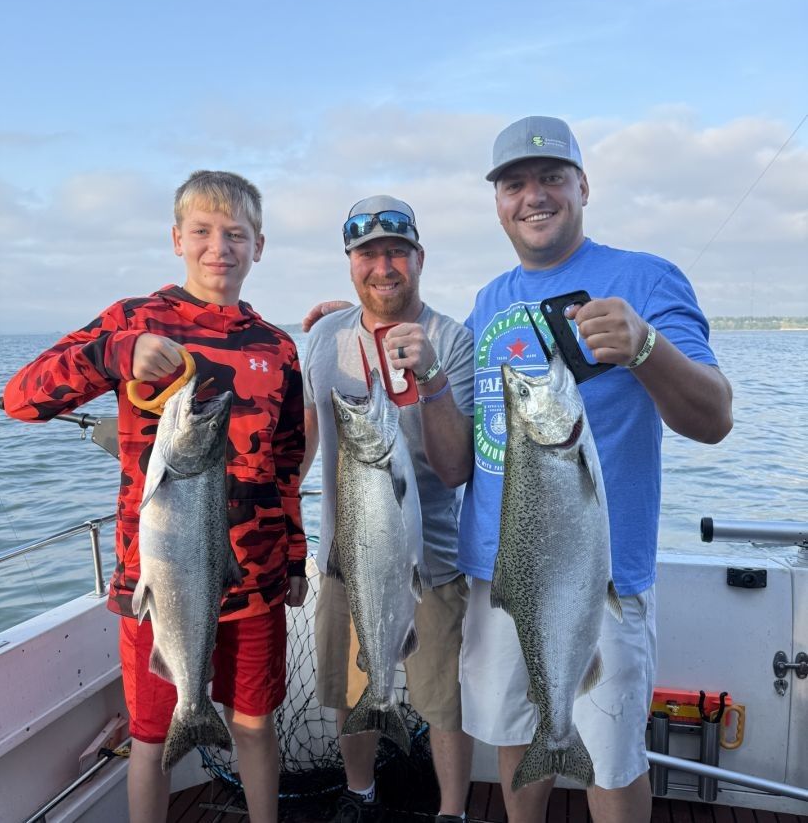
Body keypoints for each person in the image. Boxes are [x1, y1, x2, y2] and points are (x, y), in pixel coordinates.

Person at [441, 116, 733, 823]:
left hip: (597, 575)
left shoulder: (646, 277)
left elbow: (715, 416)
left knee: (610, 758)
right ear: (497, 200)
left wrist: (644, 347)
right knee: (518, 737)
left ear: (583, 186)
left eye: (551, 178)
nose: (533, 196)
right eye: (514, 183)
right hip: (497, 571)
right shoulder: (488, 300)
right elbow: (463, 446)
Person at [2, 171, 307, 823]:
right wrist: (115, 352)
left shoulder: (277, 347)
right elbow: (21, 398)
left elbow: (286, 464)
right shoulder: (135, 319)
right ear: (177, 238)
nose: (218, 246)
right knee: (150, 742)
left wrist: (299, 557)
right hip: (157, 582)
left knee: (255, 727)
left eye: (235, 233)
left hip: (254, 582)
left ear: (260, 245)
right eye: (202, 231)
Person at [301, 195, 475, 823]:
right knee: (353, 692)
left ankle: (451, 810)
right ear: (350, 263)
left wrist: (430, 378)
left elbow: (456, 469)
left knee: (443, 699)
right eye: (367, 253)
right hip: (347, 556)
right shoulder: (323, 337)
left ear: (419, 258)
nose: (383, 266)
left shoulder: (453, 338)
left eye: (396, 251)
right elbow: (302, 442)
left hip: (435, 560)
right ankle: (360, 793)